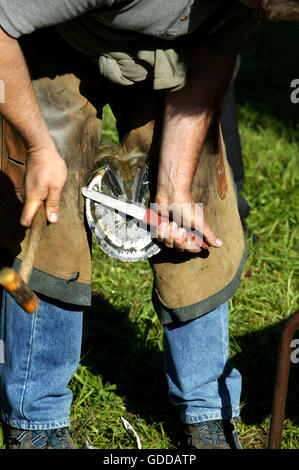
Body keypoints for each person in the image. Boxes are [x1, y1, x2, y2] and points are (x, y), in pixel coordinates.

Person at [0, 0, 297, 450]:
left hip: (168, 54)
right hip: (52, 38)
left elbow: (215, 56)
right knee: (47, 213)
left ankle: (207, 408)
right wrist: (39, 147)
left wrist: (174, 190)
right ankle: (35, 415)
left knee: (196, 204)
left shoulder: (249, 5)